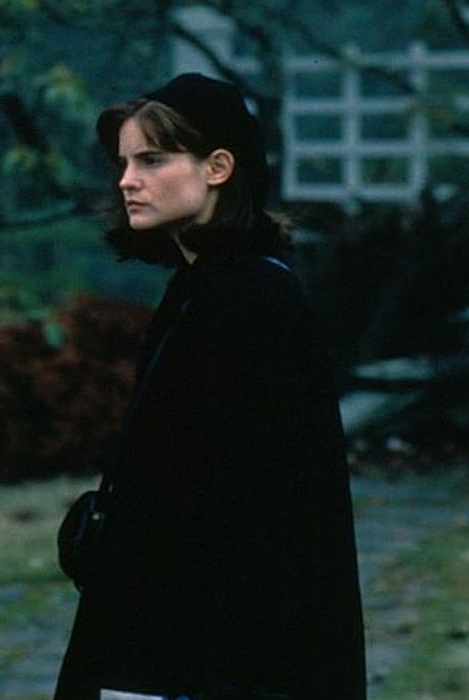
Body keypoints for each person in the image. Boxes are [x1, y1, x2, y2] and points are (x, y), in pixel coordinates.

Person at [53, 73, 365, 699]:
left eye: (152, 159)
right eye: (124, 163)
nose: (126, 181)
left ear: (218, 166)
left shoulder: (252, 302)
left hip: (203, 658)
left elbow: (264, 512)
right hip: (165, 638)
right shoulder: (203, 290)